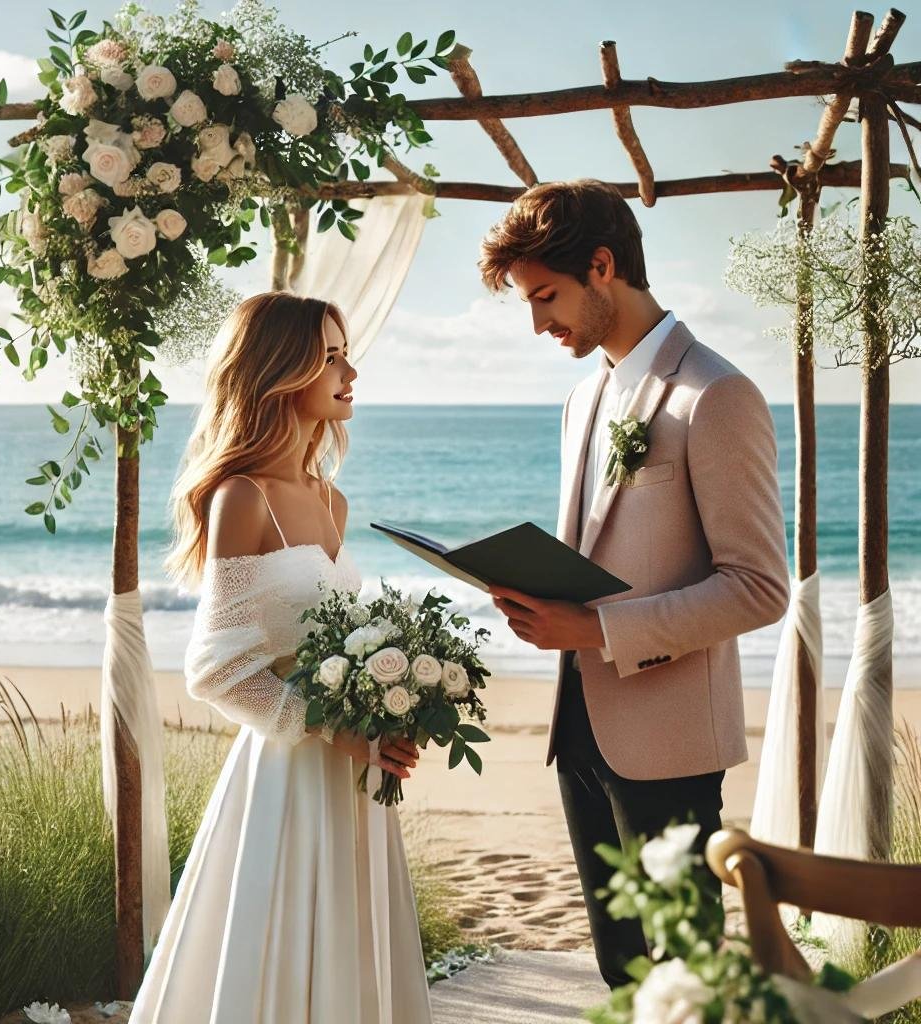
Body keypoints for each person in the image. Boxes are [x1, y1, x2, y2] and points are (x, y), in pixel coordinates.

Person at [478, 179, 790, 988]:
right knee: (623, 975)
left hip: (670, 741)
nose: (539, 321)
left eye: (545, 296)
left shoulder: (716, 395)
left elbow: (759, 588)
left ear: (604, 266)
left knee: (686, 979)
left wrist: (594, 631)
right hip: (578, 725)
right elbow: (607, 554)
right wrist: (530, 591)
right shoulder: (584, 397)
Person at [133, 292, 432, 1023]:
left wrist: (398, 706)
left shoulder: (331, 501)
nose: (349, 370)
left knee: (352, 954)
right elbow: (215, 668)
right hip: (291, 767)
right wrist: (338, 730)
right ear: (280, 369)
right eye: (330, 356)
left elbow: (338, 642)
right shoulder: (242, 497)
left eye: (345, 352)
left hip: (356, 777)